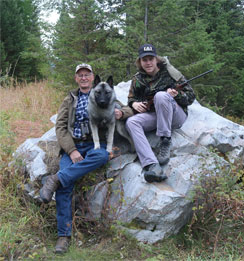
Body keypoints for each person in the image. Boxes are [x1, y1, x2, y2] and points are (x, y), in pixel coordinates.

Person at [39, 63, 110, 254]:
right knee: (65, 186)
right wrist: (71, 150)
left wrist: (122, 112)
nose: (84, 78)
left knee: (102, 156)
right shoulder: (69, 99)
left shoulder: (102, 93)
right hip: (74, 146)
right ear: (76, 78)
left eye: (87, 74)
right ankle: (63, 236)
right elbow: (60, 128)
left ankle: (55, 179)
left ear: (93, 77)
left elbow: (123, 109)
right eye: (81, 75)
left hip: (95, 144)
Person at [117, 43, 195, 183]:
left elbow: (190, 97)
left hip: (176, 116)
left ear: (156, 59)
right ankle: (152, 165)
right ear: (140, 62)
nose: (148, 63)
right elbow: (131, 98)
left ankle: (165, 140)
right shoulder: (138, 79)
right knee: (132, 122)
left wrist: (175, 95)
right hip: (155, 116)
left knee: (161, 96)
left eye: (150, 59)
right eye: (144, 60)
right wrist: (134, 104)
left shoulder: (170, 72)